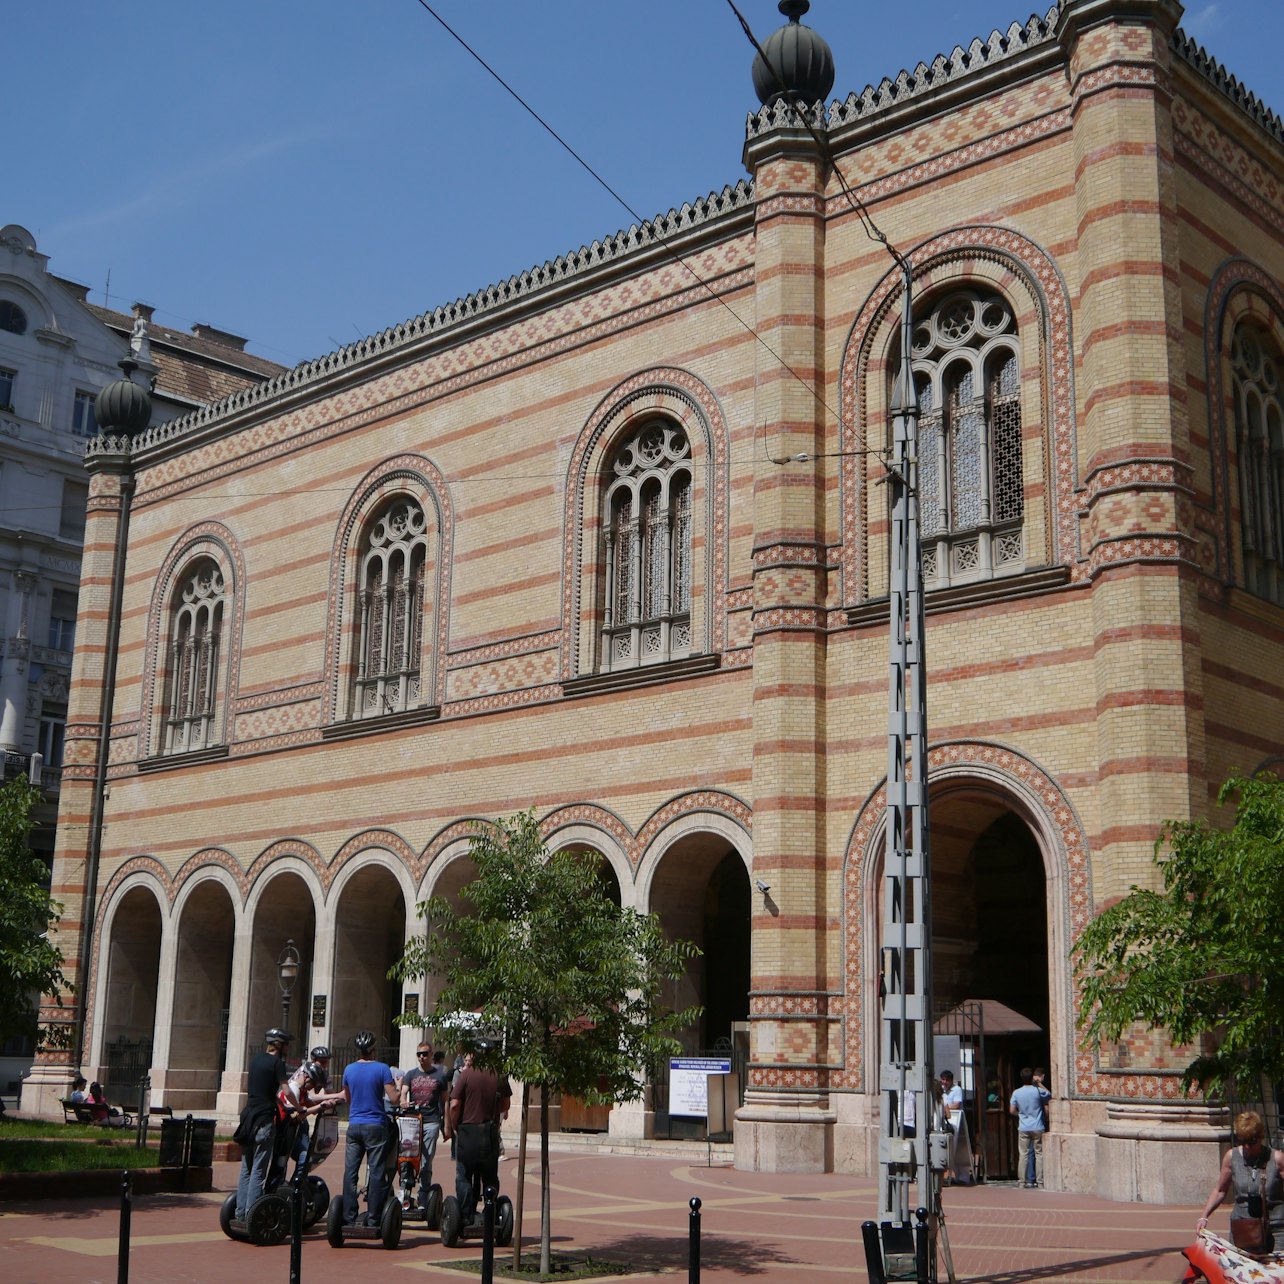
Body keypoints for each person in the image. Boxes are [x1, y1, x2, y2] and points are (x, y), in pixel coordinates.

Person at [444, 1041, 511, 1224]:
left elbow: (454, 1104)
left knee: (464, 1176)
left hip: (468, 1131)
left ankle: (466, 1216)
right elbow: (506, 1104)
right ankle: (491, 1214)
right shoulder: (499, 1075)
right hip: (489, 1131)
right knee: (489, 1176)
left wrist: (455, 1125)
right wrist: (493, 1114)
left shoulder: (466, 1074)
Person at [1196, 1110, 1284, 1244]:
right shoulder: (1232, 1157)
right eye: (1243, 1141)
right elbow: (1220, 1190)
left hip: (1276, 1229)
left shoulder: (1277, 1159)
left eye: (1251, 1141)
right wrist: (1204, 1216)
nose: (1247, 1146)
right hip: (1243, 1228)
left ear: (1261, 1136)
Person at [340, 1030, 397, 1227]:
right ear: (374, 1049)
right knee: (376, 1171)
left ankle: (349, 1216)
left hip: (355, 1125)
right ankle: (373, 1217)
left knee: (350, 1171)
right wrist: (397, 1087)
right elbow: (394, 1098)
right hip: (375, 1125)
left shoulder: (348, 1069)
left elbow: (347, 1098)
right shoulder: (382, 1069)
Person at [235, 1028, 292, 1221]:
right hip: (264, 1121)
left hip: (248, 1120)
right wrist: (298, 1106)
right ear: (279, 1045)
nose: (288, 1048)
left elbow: (262, 1091)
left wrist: (281, 1103)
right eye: (286, 1044)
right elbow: (286, 1090)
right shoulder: (277, 1063)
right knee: (258, 1171)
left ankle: (240, 1213)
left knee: (246, 1169)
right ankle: (252, 1215)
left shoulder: (255, 1060)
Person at [401, 1046, 449, 1208]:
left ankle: (423, 1193)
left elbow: (445, 1101)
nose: (422, 1057)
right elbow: (404, 1092)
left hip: (431, 1122)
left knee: (426, 1161)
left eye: (425, 1054)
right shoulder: (411, 1074)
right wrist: (403, 1101)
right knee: (407, 1157)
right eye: (419, 1054)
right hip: (412, 1121)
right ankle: (406, 1191)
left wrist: (447, 1125)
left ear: (431, 1055)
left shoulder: (439, 1076)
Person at [1010, 1066, 1051, 1189]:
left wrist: (1020, 1115)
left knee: (1023, 1154)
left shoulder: (1016, 1092)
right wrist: (1039, 1084)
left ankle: (1022, 1181)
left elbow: (1012, 1110)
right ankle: (1040, 1181)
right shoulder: (1037, 1091)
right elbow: (1049, 1095)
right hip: (1037, 1126)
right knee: (1039, 1154)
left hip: (1024, 1127)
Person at [940, 1070, 974, 1186]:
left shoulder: (957, 1089)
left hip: (957, 1120)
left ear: (951, 1080)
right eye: (943, 1079)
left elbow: (957, 1104)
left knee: (959, 1149)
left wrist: (946, 1108)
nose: (944, 1082)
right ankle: (955, 1176)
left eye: (947, 1080)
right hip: (947, 1121)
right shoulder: (942, 1090)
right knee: (951, 1148)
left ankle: (963, 1177)